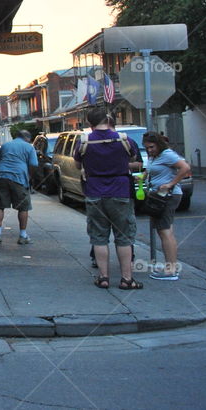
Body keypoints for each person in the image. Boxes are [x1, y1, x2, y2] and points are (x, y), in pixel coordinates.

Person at [75, 108, 142, 290]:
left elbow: (77, 164)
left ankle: (103, 277)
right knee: (124, 237)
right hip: (121, 191)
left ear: (90, 123)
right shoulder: (124, 140)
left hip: (94, 192)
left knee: (99, 237)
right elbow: (134, 158)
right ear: (109, 120)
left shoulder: (84, 141)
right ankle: (127, 279)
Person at [142, 131, 191, 280]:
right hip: (158, 196)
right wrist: (144, 176)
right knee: (165, 230)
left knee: (165, 231)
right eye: (147, 148)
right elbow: (152, 171)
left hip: (168, 196)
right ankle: (170, 266)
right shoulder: (155, 156)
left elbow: (185, 168)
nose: (149, 150)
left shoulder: (167, 154)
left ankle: (171, 270)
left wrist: (170, 184)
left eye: (151, 147)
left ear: (158, 144)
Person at [0, 130, 38, 244]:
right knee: (23, 207)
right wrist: (30, 176)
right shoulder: (29, 147)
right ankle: (23, 236)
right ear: (27, 138)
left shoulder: (5, 146)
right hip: (19, 177)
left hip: (2, 175)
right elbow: (34, 164)